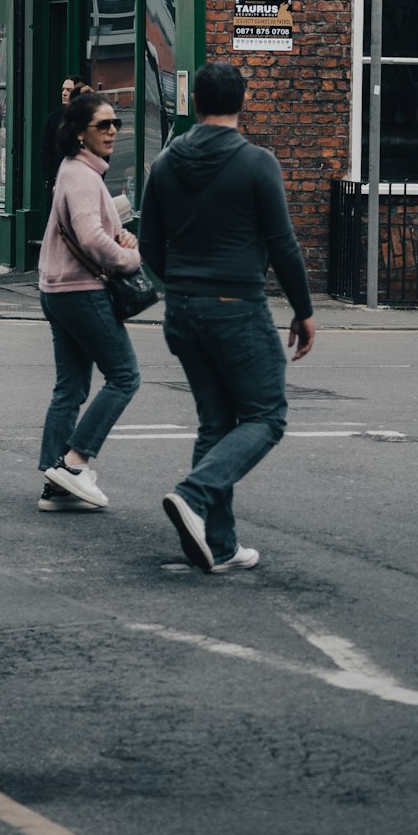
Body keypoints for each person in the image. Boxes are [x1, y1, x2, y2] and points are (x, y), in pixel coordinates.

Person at [139, 60, 315, 573]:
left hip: (183, 311)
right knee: (266, 416)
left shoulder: (165, 164)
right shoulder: (257, 163)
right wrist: (303, 311)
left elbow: (149, 244)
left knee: (216, 422)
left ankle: (218, 544)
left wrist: (184, 283)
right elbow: (283, 245)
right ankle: (193, 495)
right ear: (243, 102)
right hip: (237, 307)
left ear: (195, 102)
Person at [36, 91, 142, 511]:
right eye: (103, 125)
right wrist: (129, 257)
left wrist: (119, 235)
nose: (113, 130)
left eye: (115, 122)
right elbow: (91, 238)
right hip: (80, 292)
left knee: (71, 387)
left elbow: (95, 230)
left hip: (58, 289)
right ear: (81, 133)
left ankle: (55, 480)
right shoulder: (81, 176)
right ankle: (73, 463)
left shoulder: (74, 171)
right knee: (124, 377)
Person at [41, 76, 89, 199]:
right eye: (63, 89)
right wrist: (49, 182)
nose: (64, 93)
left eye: (69, 90)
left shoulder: (90, 118)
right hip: (58, 182)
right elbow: (46, 152)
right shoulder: (53, 118)